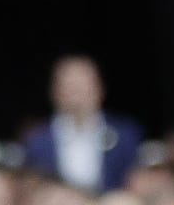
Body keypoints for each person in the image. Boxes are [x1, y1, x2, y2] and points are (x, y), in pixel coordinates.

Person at [21, 55, 144, 194]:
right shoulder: (37, 140)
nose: (77, 93)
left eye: (83, 85)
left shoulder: (124, 134)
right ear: (54, 91)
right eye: (69, 86)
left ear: (100, 89)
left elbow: (136, 182)